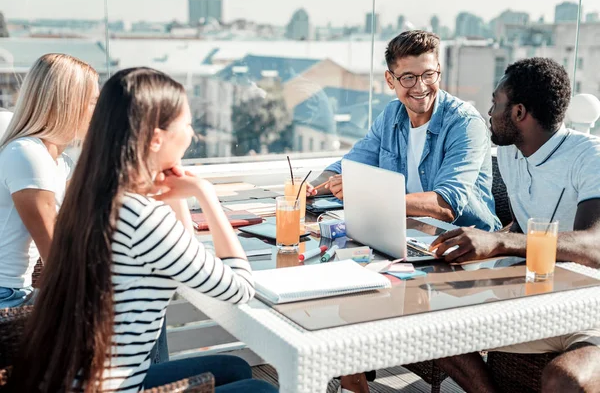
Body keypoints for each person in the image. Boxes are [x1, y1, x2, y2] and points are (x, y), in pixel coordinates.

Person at [9, 68, 277, 393]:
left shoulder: (93, 196)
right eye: (188, 125)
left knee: (233, 368)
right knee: (261, 390)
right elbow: (240, 289)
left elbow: (182, 253)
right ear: (156, 138)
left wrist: (176, 196)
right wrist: (205, 195)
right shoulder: (142, 217)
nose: (192, 135)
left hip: (72, 381)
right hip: (114, 388)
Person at [432, 57, 600, 392]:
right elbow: (523, 225)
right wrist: (485, 241)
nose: (489, 112)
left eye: (495, 103)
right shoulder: (509, 152)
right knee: (430, 325)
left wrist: (501, 244)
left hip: (590, 309)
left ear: (519, 113)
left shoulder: (589, 156)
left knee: (565, 380)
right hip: (536, 298)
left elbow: (594, 245)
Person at [310, 30, 500, 232]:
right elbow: (350, 164)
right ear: (390, 80)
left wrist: (369, 194)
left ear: (439, 71)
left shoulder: (465, 123)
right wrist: (311, 188)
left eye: (428, 75)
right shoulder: (392, 114)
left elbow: (446, 205)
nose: (420, 87)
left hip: (468, 246)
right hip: (409, 233)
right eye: (408, 77)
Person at [0, 53, 99, 309]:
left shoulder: (59, 162)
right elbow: (56, 253)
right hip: (7, 296)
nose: (99, 111)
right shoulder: (27, 154)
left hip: (17, 291)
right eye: (93, 102)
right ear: (68, 103)